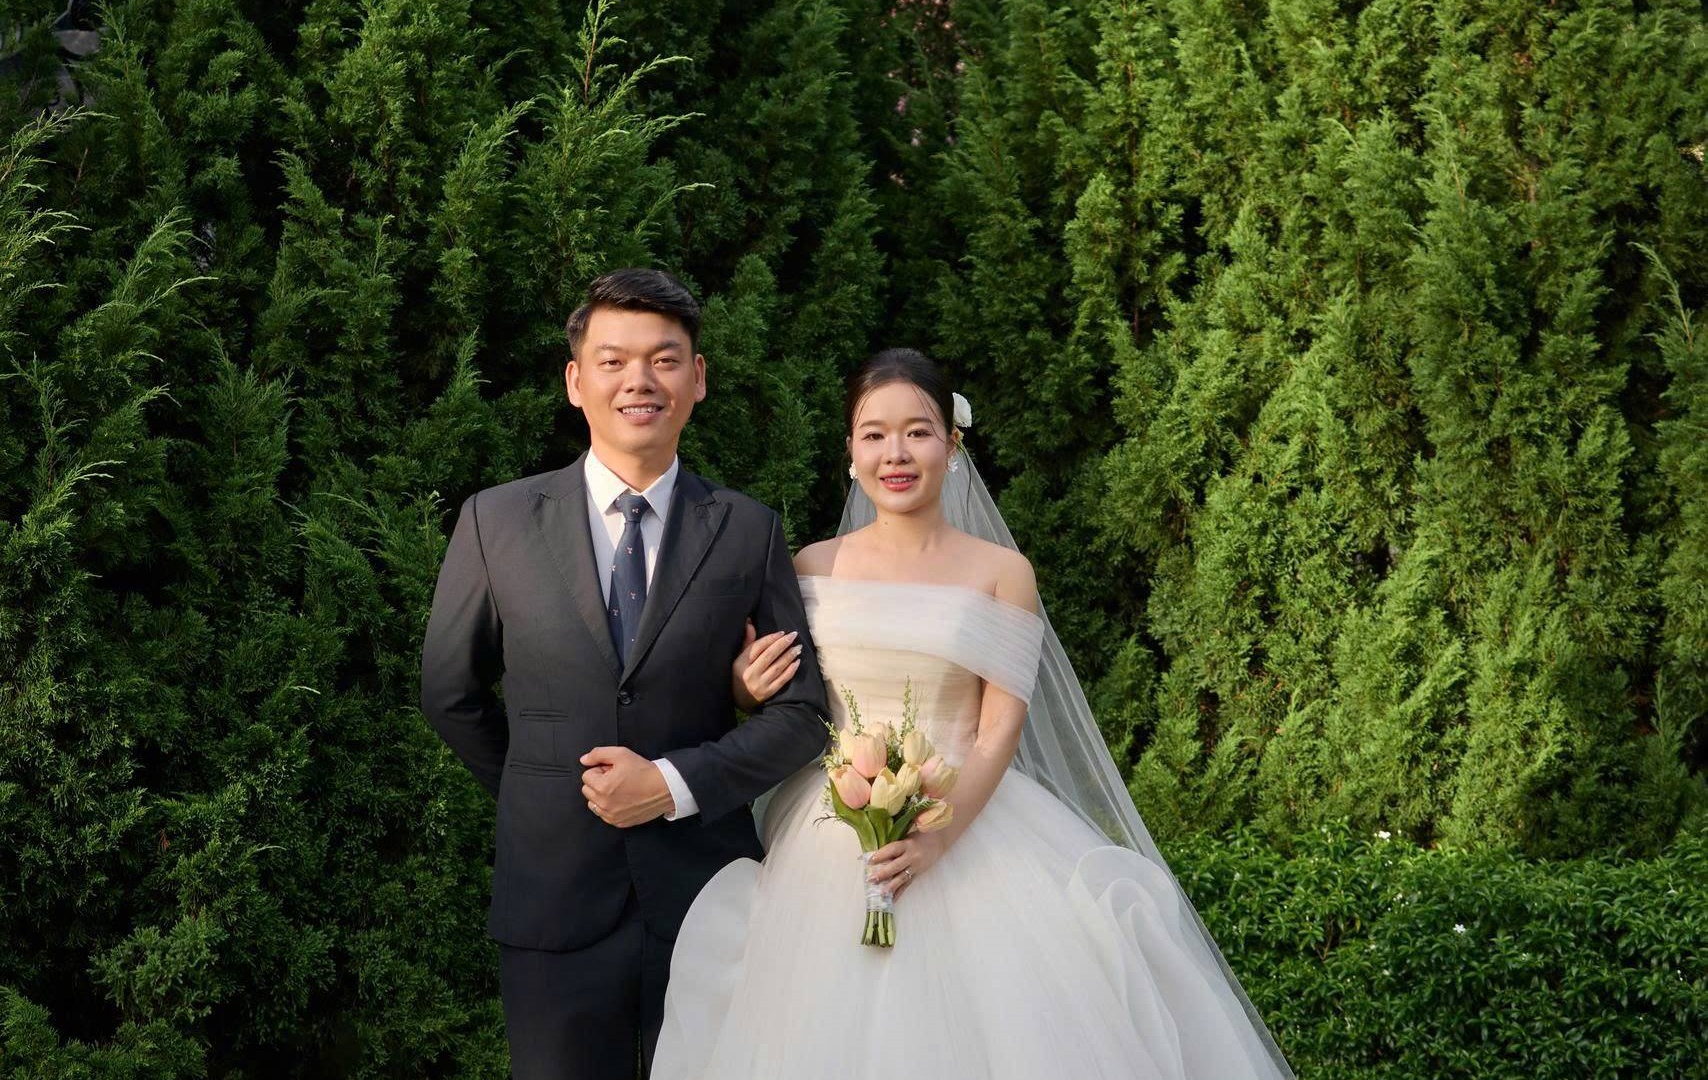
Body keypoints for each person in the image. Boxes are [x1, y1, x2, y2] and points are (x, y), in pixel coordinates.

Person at [651, 348, 1295, 1080]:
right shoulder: (811, 566)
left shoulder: (1001, 573)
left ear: (952, 444)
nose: (896, 453)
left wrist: (937, 839)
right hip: (832, 830)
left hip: (968, 821)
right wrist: (743, 686)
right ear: (851, 451)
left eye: (918, 432)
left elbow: (997, 730)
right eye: (874, 434)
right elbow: (790, 701)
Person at [419, 269, 830, 1080]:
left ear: (698, 377)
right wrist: (543, 788)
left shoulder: (747, 529)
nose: (639, 380)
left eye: (664, 359)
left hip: (706, 893)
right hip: (552, 894)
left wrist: (672, 785)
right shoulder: (496, 520)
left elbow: (804, 715)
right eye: (613, 361)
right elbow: (449, 693)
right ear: (576, 381)